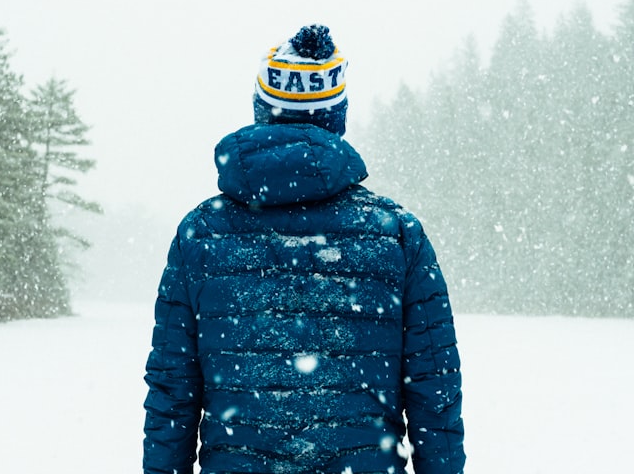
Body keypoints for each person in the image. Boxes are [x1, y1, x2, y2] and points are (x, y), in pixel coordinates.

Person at [143, 24, 465, 474]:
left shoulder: (200, 235)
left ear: (262, 109)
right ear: (337, 117)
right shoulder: (396, 235)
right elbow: (436, 397)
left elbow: (171, 396)